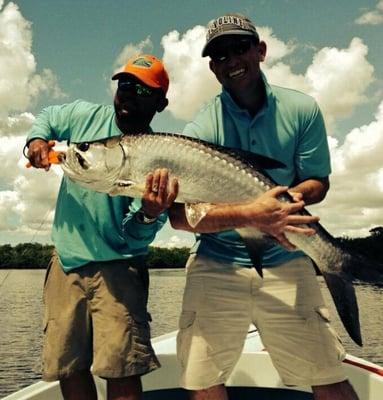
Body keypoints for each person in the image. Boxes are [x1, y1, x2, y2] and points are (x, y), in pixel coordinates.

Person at [169, 14, 359, 400]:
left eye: (239, 48)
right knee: (202, 382)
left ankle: (339, 266)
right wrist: (252, 215)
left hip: (288, 259)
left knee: (329, 379)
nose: (231, 60)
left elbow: (318, 181)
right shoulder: (200, 130)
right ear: (212, 66)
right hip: (216, 262)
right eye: (219, 55)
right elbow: (180, 217)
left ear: (261, 51)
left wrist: (283, 210)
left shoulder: (301, 109)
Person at [26, 54, 178, 400]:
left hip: (120, 269)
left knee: (121, 369)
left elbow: (135, 234)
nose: (127, 93)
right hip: (65, 264)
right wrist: (37, 140)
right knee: (69, 366)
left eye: (141, 89)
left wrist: (150, 214)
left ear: (160, 102)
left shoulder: (161, 157)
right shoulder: (85, 116)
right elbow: (49, 116)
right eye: (124, 84)